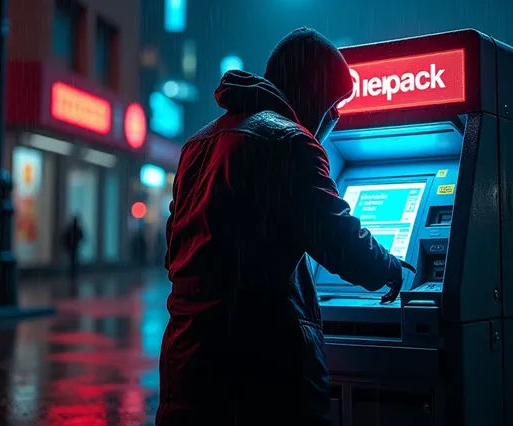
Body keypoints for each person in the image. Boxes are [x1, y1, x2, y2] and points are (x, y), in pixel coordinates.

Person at [156, 28, 415, 426]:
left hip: (187, 360)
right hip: (259, 371)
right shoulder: (288, 142)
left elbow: (174, 249)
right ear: (313, 93)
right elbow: (337, 237)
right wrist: (391, 268)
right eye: (334, 105)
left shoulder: (197, 144)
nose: (336, 117)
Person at [61, 216, 84, 281]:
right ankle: (72, 273)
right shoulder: (72, 229)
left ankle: (73, 273)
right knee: (72, 261)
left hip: (74, 248)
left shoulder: (74, 229)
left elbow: (81, 237)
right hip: (72, 248)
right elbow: (65, 238)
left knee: (74, 261)